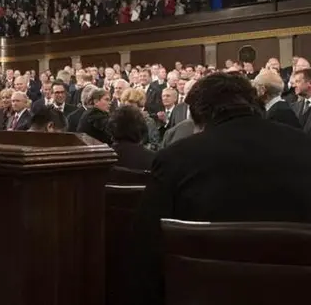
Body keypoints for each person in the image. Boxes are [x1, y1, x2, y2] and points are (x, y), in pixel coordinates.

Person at [129, 73, 311, 305]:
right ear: (256, 103)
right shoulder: (305, 146)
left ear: (198, 117)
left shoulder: (176, 158)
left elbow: (145, 247)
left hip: (202, 294)